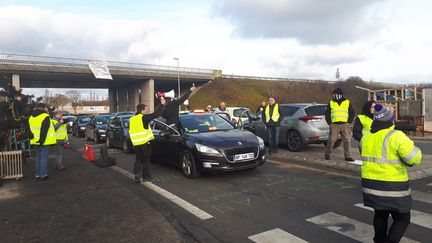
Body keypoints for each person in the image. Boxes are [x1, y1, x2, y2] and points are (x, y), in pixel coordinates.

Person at [360, 104, 422, 243]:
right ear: (390, 121)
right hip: (393, 187)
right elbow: (414, 158)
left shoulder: (366, 137)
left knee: (380, 214)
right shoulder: (396, 136)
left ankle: (379, 241)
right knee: (402, 218)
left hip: (371, 186)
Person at [130, 101, 166, 183]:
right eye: (145, 109)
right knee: (146, 160)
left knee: (138, 159)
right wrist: (162, 104)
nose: (146, 111)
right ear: (142, 110)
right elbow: (156, 114)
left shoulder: (132, 119)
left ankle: (136, 175)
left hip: (136, 143)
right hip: (144, 143)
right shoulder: (144, 118)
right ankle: (146, 176)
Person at [324, 88, 355, 161]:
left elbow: (352, 112)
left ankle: (348, 156)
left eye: (335, 94)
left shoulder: (347, 102)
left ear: (340, 95)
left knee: (347, 140)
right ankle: (327, 154)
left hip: (345, 125)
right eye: (333, 94)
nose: (334, 96)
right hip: (334, 125)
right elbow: (327, 114)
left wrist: (349, 122)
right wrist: (330, 123)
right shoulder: (331, 102)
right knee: (332, 140)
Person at [28, 103, 56, 180]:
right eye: (46, 108)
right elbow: (44, 130)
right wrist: (41, 140)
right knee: (43, 158)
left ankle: (37, 174)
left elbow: (28, 130)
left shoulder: (31, 117)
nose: (47, 109)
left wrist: (32, 137)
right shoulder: (45, 117)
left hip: (35, 141)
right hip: (43, 142)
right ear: (43, 108)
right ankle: (43, 174)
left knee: (38, 158)